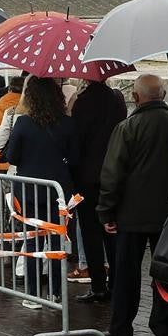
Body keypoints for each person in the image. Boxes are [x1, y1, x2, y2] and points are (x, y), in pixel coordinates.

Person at [97, 74, 168, 336]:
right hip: (167, 213)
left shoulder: (127, 127)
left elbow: (112, 173)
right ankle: (165, 327)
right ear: (163, 93)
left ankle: (121, 328)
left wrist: (106, 211)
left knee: (125, 275)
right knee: (166, 272)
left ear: (136, 96)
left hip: (130, 214)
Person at [2, 76, 78, 309]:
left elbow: (12, 156)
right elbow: (75, 158)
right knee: (56, 241)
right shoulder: (67, 123)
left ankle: (33, 293)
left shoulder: (24, 123)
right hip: (59, 192)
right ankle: (55, 292)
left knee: (33, 242)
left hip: (30, 191)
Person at [70, 78, 127, 303]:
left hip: (87, 176)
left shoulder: (83, 102)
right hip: (114, 173)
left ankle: (98, 285)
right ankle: (116, 282)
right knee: (111, 231)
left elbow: (77, 141)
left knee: (91, 232)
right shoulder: (116, 100)